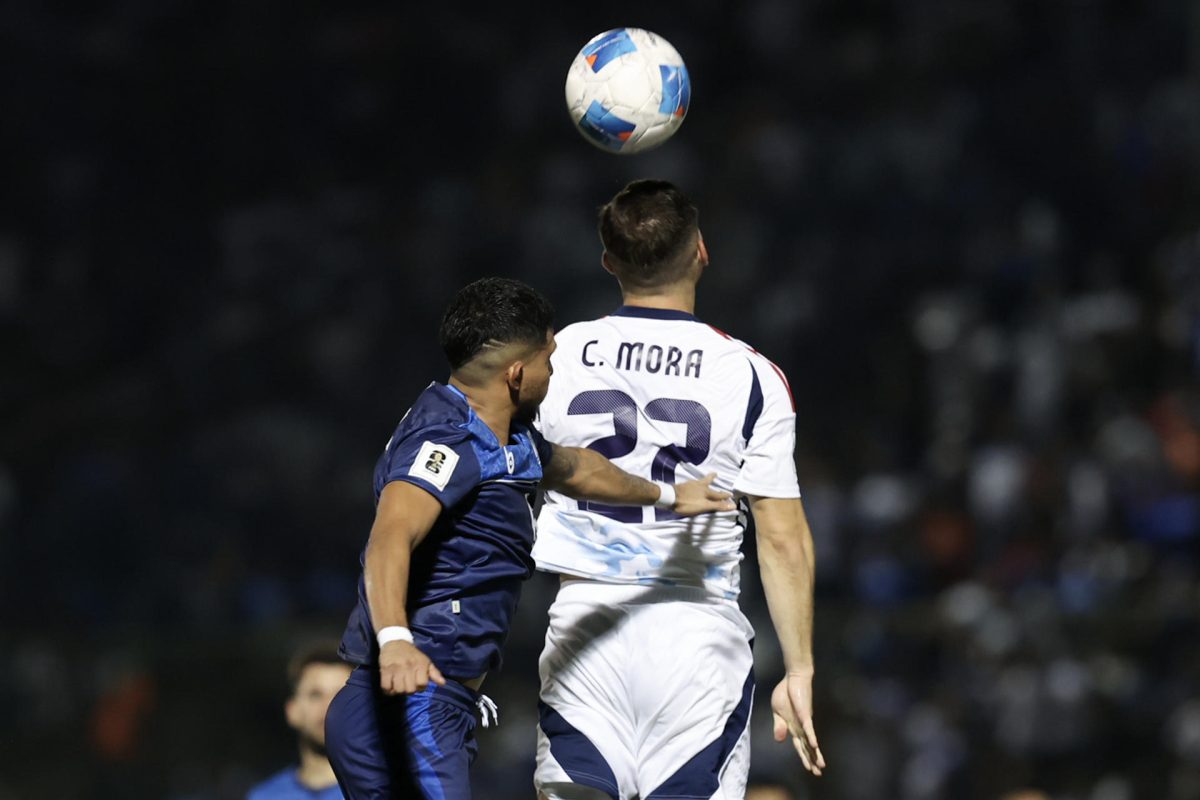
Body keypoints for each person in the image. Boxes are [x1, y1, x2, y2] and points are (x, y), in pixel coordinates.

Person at [324, 277, 734, 800]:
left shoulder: (507, 436)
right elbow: (389, 538)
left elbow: (576, 468)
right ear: (517, 374)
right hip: (410, 704)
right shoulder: (444, 441)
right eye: (549, 358)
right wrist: (396, 641)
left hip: (432, 706)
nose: (553, 370)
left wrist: (671, 496)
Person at [531, 179, 826, 799]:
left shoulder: (553, 358)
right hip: (696, 637)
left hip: (586, 626)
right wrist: (798, 669)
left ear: (609, 263)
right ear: (701, 251)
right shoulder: (750, 375)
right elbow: (782, 540)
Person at [246, 643, 352, 800]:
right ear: (292, 711)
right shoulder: (264, 796)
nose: (330, 706)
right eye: (316, 695)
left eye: (341, 695)